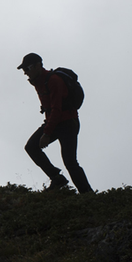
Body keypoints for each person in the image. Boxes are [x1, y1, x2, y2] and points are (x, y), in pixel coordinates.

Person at [17, 53, 93, 194]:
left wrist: (46, 133)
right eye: (24, 70)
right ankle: (57, 178)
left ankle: (87, 193)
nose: (25, 73)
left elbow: (57, 110)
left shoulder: (54, 81)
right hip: (55, 122)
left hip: (68, 123)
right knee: (31, 147)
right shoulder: (38, 83)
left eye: (27, 69)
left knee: (70, 162)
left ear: (38, 65)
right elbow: (50, 108)